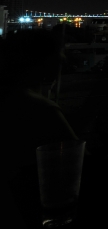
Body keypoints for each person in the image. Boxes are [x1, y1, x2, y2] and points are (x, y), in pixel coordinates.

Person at [1, 30, 79, 171]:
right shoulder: (41, 109)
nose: (64, 58)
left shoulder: (11, 98)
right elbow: (80, 159)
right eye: (60, 52)